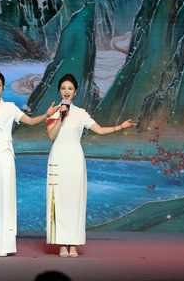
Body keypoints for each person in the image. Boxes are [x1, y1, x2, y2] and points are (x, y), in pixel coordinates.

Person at [45, 73, 135, 258]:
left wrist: (119, 127)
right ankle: (62, 244)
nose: (67, 91)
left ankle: (73, 243)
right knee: (59, 201)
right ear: (59, 91)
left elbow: (99, 130)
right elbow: (52, 136)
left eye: (70, 88)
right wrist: (61, 116)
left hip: (75, 160)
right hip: (58, 160)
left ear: (76, 92)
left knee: (75, 201)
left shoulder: (81, 113)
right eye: (63, 88)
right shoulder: (52, 112)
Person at [0, 70, 56, 257]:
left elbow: (30, 121)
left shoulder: (10, 107)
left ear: (3, 87)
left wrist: (46, 114)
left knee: (6, 199)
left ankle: (5, 246)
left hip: (5, 153)